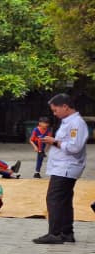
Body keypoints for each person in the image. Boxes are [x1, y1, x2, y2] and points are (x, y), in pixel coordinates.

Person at [35, 93, 89, 244]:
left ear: (65, 106)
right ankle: (66, 232)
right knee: (64, 200)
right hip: (63, 166)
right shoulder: (68, 122)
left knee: (54, 199)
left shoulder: (76, 123)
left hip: (67, 167)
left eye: (55, 110)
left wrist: (55, 142)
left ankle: (55, 233)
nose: (54, 113)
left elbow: (75, 147)